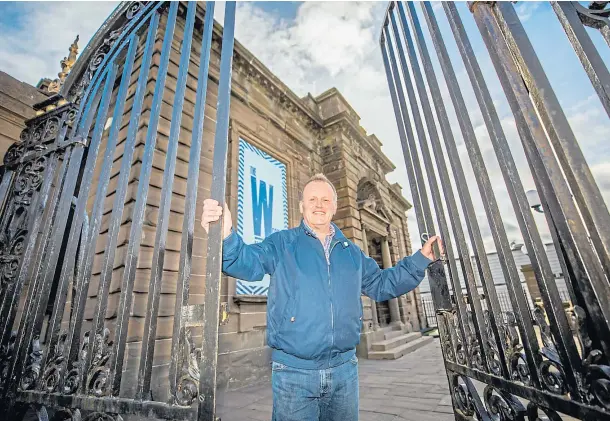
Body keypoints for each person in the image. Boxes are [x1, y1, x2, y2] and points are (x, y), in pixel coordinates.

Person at [201, 173, 443, 421]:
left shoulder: (352, 253)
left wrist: (421, 259)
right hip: (294, 372)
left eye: (326, 200)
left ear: (335, 207)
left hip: (344, 371)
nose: (319, 204)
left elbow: (382, 284)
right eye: (312, 199)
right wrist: (225, 235)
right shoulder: (282, 244)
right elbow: (245, 262)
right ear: (301, 206)